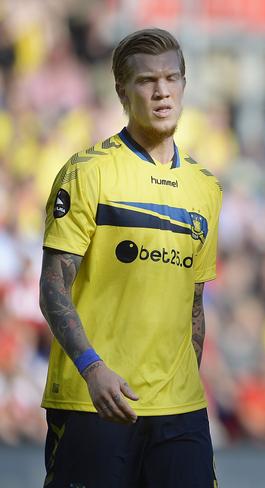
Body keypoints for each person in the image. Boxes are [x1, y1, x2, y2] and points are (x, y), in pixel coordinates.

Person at [39, 28, 222, 487]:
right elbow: (52, 286)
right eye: (146, 81)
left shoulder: (206, 188)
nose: (162, 91)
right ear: (123, 91)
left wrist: (183, 382)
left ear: (184, 84)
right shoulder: (88, 172)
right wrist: (92, 369)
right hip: (95, 400)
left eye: (172, 78)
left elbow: (193, 303)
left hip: (179, 410)